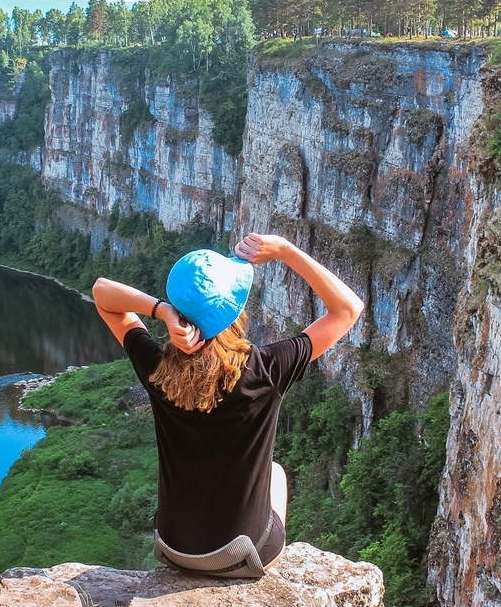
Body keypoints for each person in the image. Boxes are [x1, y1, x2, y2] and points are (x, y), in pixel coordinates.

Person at [91, 232, 364, 578]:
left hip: (171, 548)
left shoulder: (156, 368)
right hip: (241, 556)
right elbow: (348, 309)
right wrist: (285, 250)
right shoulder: (266, 370)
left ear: (181, 315)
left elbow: (102, 293)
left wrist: (161, 311)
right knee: (276, 472)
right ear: (234, 313)